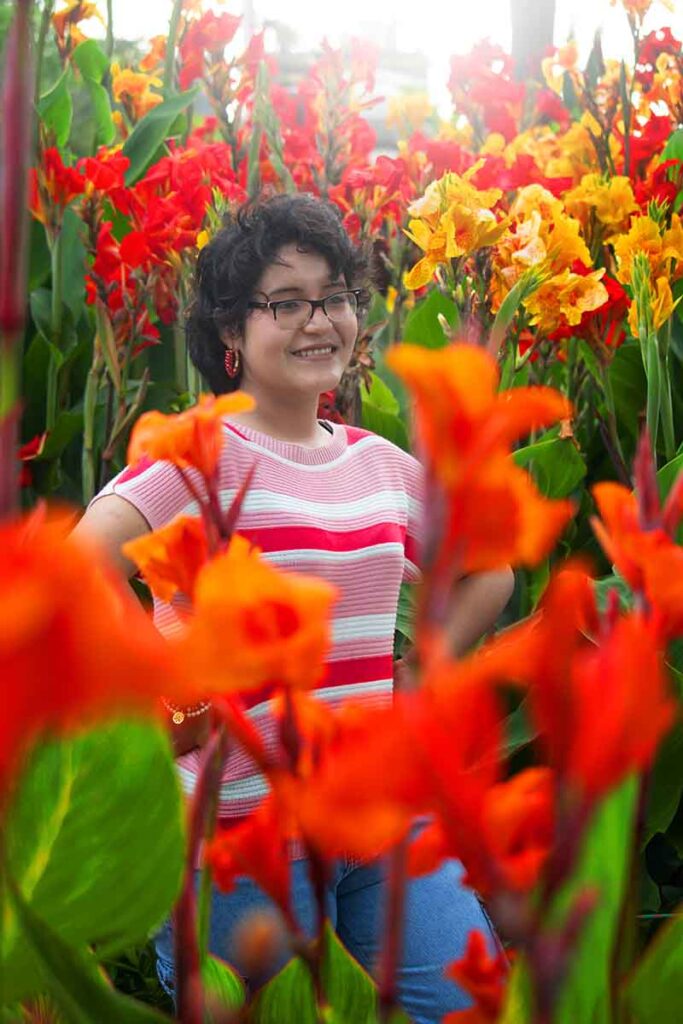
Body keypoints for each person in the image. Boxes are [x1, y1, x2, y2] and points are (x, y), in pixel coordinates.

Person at [75, 193, 514, 1023]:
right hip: (238, 835)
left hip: (381, 818)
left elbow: (487, 569)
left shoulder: (380, 465)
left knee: (470, 1005)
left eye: (335, 297)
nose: (319, 321)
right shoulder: (199, 450)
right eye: (286, 303)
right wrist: (172, 696)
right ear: (231, 335)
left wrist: (422, 674)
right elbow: (80, 564)